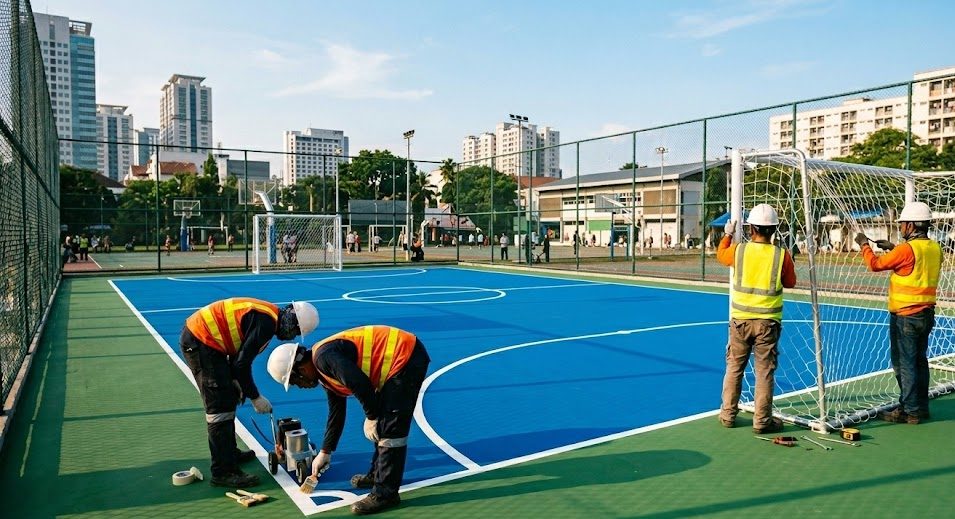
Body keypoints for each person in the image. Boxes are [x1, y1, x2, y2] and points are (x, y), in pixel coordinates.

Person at [266, 325, 430, 515]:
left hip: (405, 356)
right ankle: (378, 474)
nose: (300, 386)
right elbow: (337, 412)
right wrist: (325, 452)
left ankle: (386, 493)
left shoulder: (323, 359)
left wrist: (372, 417)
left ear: (301, 368)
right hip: (397, 359)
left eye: (295, 381)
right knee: (383, 423)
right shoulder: (324, 373)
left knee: (391, 428)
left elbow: (358, 382)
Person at [180, 298, 319, 487]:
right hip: (201, 341)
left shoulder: (268, 317)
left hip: (208, 342)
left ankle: (228, 453)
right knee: (218, 408)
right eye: (295, 331)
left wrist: (235, 381)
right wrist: (255, 397)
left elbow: (238, 357)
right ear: (291, 321)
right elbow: (241, 363)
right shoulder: (266, 324)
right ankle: (223, 471)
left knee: (227, 395)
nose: (292, 337)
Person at [854, 201, 941, 425]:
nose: (900, 227)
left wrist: (864, 244)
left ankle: (910, 411)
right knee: (920, 361)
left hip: (906, 316)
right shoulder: (934, 248)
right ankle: (920, 406)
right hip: (926, 313)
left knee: (905, 363)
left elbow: (874, 264)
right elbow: (913, 263)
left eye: (902, 224)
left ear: (911, 225)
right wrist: (893, 247)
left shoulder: (906, 250)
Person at [716, 204, 797, 434]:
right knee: (764, 372)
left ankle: (728, 415)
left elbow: (721, 255)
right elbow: (790, 282)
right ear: (774, 230)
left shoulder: (739, 250)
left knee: (734, 368)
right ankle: (762, 421)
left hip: (740, 321)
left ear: (751, 228)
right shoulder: (781, 255)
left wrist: (728, 234)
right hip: (768, 324)